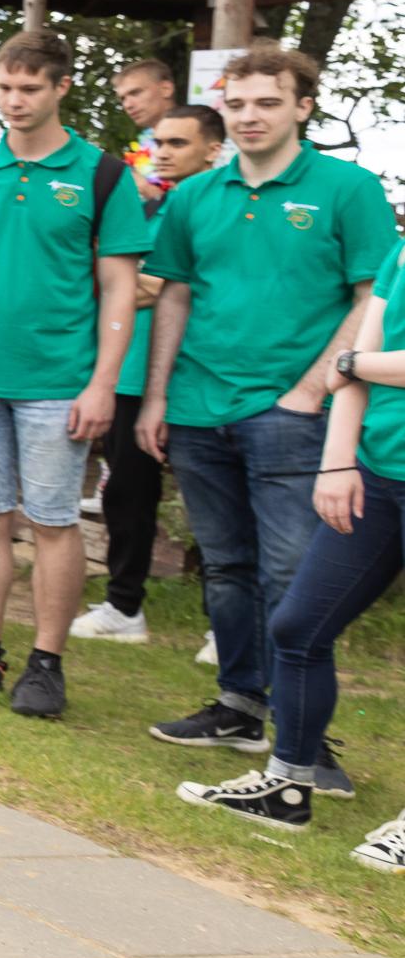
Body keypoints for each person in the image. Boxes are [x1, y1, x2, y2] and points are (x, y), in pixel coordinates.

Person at [138, 42, 391, 760]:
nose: (250, 117)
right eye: (238, 103)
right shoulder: (193, 195)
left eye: (268, 102)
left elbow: (371, 296)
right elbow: (176, 295)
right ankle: (239, 705)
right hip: (196, 408)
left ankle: (301, 741)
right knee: (225, 569)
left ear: (302, 107)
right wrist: (158, 397)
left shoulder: (347, 189)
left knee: (292, 577)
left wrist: (309, 392)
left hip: (293, 413)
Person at [0, 29, 149, 719]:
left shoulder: (102, 175)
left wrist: (103, 382)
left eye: (29, 88)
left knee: (51, 522)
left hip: (59, 382)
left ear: (61, 88)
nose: (13, 101)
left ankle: (46, 663)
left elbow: (121, 289)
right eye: (5, 88)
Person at [179, 237, 403, 834]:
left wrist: (351, 365)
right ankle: (287, 785)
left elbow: (354, 360)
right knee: (298, 626)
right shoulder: (401, 252)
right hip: (380, 472)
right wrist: (337, 459)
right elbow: (363, 348)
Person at [72, 103, 223, 644]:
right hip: (134, 376)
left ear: (213, 148)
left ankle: (222, 626)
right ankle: (123, 607)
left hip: (200, 376)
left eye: (178, 143)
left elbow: (156, 286)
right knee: (126, 496)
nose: (162, 152)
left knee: (217, 506)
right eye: (159, 143)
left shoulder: (219, 206)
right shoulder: (149, 209)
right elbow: (126, 283)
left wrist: (115, 287)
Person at [110, 57, 180, 206]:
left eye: (135, 93)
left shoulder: (198, 132)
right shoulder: (146, 138)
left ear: (166, 89)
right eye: (123, 98)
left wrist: (143, 187)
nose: (128, 105)